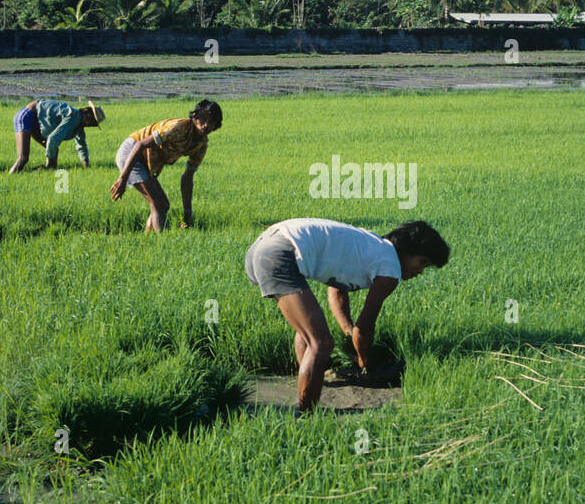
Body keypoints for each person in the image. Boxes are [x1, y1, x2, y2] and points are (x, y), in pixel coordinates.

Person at [244, 217, 449, 412]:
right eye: (422, 262)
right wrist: (365, 364)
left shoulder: (370, 245)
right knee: (321, 343)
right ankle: (306, 416)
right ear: (406, 251)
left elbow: (337, 290)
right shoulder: (390, 267)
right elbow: (365, 327)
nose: (420, 271)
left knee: (308, 332)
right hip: (279, 254)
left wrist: (347, 330)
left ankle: (312, 381)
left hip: (261, 248)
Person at [109, 99, 222, 232]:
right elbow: (140, 145)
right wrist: (123, 179)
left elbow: (187, 178)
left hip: (147, 160)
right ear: (194, 117)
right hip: (132, 152)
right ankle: (162, 242)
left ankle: (149, 242)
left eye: (211, 122)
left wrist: (187, 213)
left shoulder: (201, 146)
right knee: (158, 203)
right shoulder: (177, 128)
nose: (206, 125)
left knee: (163, 205)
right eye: (203, 119)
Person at [9, 97, 104, 173]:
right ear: (85, 111)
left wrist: (86, 165)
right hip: (27, 116)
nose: (90, 123)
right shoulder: (72, 116)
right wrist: (50, 163)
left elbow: (81, 145)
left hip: (37, 122)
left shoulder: (79, 125)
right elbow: (53, 139)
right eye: (91, 118)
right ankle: (11, 178)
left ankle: (34, 173)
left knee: (52, 163)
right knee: (23, 158)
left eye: (93, 123)